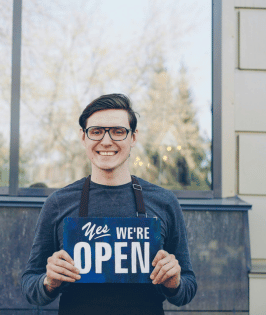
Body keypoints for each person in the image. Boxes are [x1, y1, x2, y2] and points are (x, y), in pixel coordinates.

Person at [21, 94, 197, 315]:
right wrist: (48, 281)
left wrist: (175, 282)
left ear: (133, 137)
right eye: (96, 131)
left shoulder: (164, 201)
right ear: (83, 137)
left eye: (118, 131)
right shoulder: (58, 203)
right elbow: (29, 285)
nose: (106, 141)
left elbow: (188, 287)